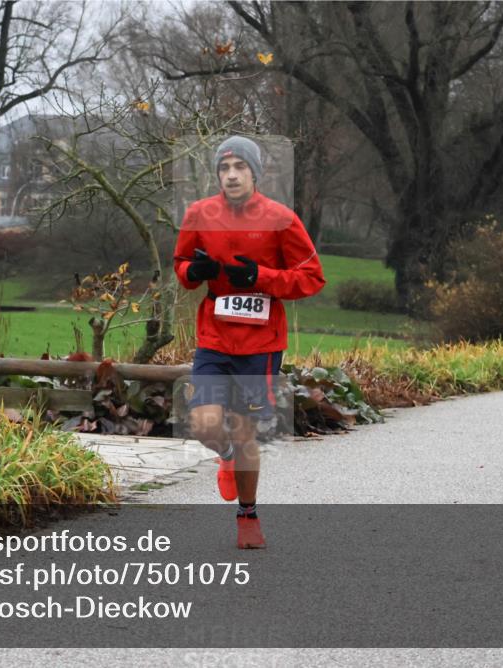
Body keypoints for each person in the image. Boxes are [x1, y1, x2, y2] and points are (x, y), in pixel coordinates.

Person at [173, 136, 325, 549]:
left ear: (255, 173)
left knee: (245, 434)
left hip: (261, 345)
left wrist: (261, 277)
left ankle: (248, 515)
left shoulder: (281, 219)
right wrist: (195, 271)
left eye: (240, 166)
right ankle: (224, 459)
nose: (232, 175)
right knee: (205, 425)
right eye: (224, 168)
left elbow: (312, 277)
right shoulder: (199, 214)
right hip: (215, 337)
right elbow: (182, 266)